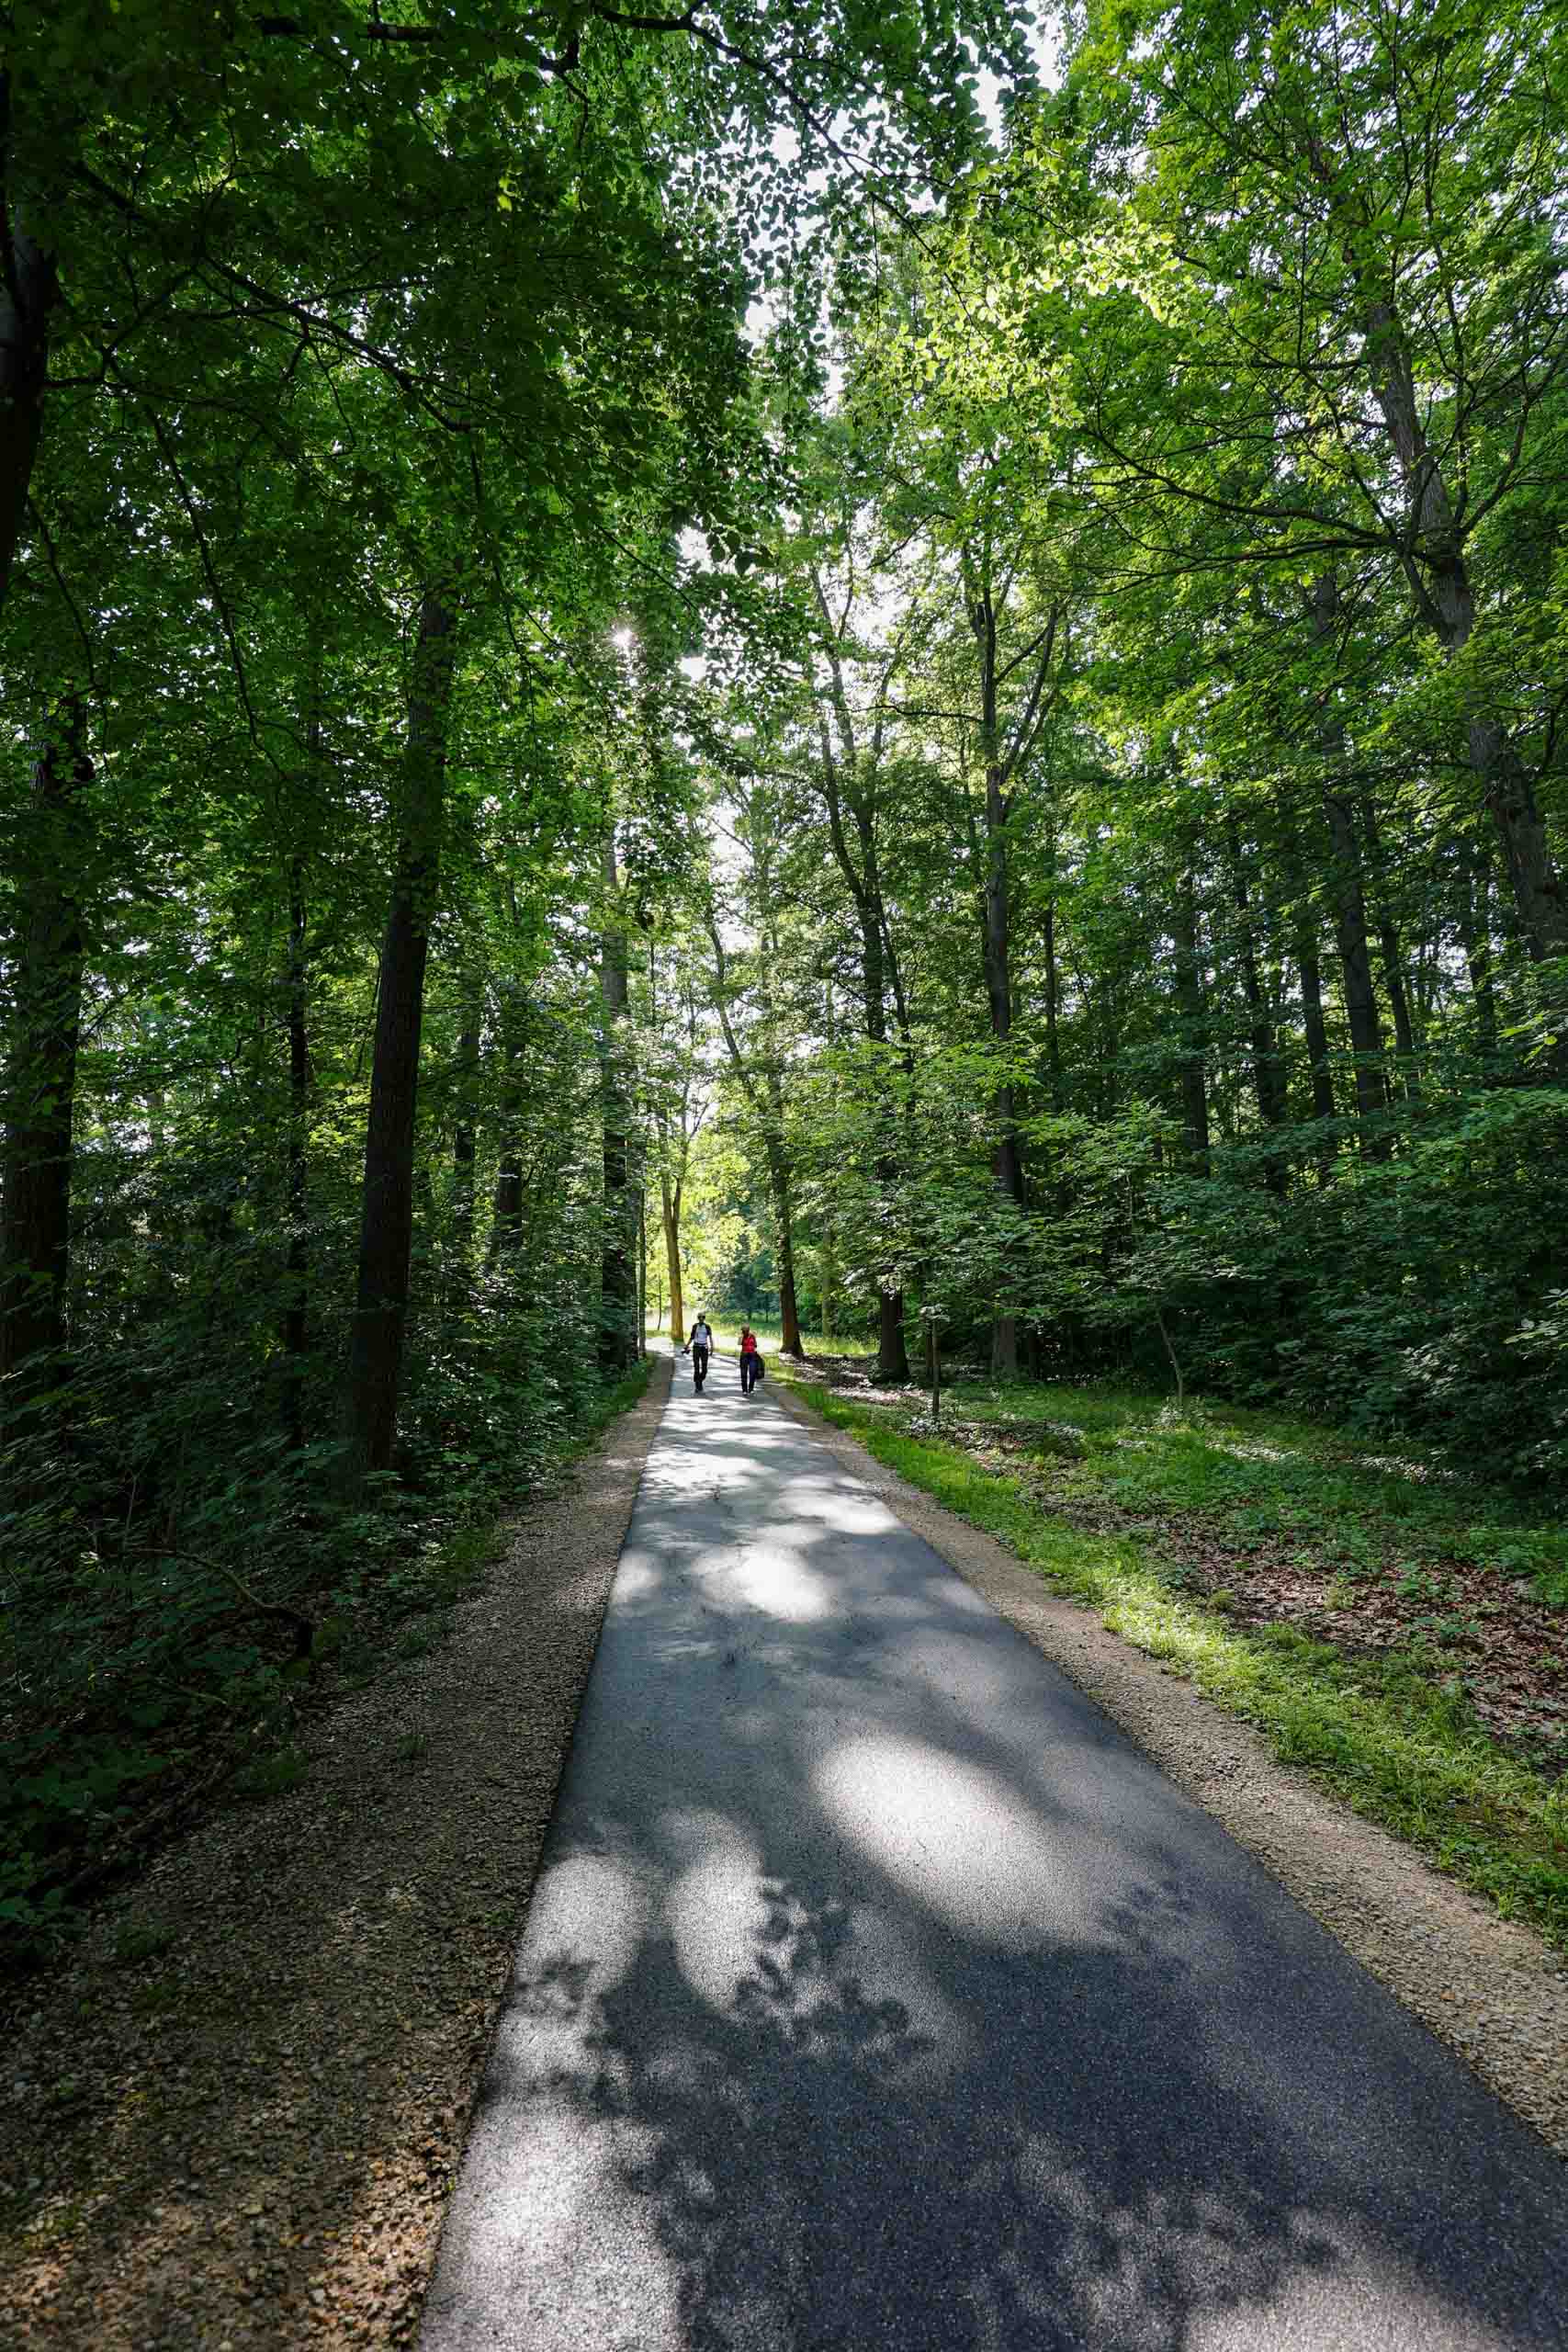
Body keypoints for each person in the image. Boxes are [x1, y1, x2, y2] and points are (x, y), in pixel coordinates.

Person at [687, 1313, 713, 1391]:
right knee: (696, 1366)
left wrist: (712, 1347)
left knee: (704, 1368)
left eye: (703, 1317)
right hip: (696, 1347)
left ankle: (699, 1380)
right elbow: (692, 1337)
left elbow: (710, 1337)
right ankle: (698, 1385)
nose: (701, 1319)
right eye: (700, 1317)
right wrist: (687, 1345)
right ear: (698, 1318)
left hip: (704, 1348)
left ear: (704, 1318)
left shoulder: (707, 1326)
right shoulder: (695, 1326)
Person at [739, 1324, 761, 1394]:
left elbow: (756, 1345)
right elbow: (739, 1343)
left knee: (753, 1372)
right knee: (743, 1373)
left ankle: (751, 1389)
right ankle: (744, 1390)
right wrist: (742, 1336)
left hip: (752, 1356)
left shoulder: (752, 1336)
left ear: (748, 1330)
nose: (744, 1332)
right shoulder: (741, 1336)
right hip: (744, 1356)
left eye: (745, 1330)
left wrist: (753, 1349)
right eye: (743, 1331)